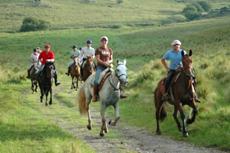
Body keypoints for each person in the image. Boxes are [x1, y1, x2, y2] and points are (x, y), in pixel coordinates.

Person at [92, 36, 126, 102]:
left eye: (105, 41)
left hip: (108, 67)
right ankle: (95, 95)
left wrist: (109, 62)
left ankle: (120, 93)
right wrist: (104, 63)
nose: (104, 42)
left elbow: (111, 59)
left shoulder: (109, 50)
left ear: (107, 42)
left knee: (118, 76)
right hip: (101, 67)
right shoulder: (98, 49)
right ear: (101, 42)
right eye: (103, 40)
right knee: (96, 81)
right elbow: (98, 59)